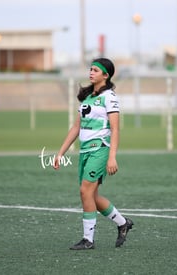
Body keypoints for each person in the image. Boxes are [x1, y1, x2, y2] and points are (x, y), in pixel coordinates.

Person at [53, 57, 133, 250]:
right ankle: (123, 223)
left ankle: (88, 240)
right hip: (85, 151)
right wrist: (60, 152)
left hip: (101, 149)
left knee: (84, 191)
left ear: (106, 75)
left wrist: (112, 157)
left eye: (96, 70)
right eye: (91, 69)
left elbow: (115, 129)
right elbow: (75, 127)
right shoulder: (87, 98)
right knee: (92, 197)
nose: (91, 73)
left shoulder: (110, 97)